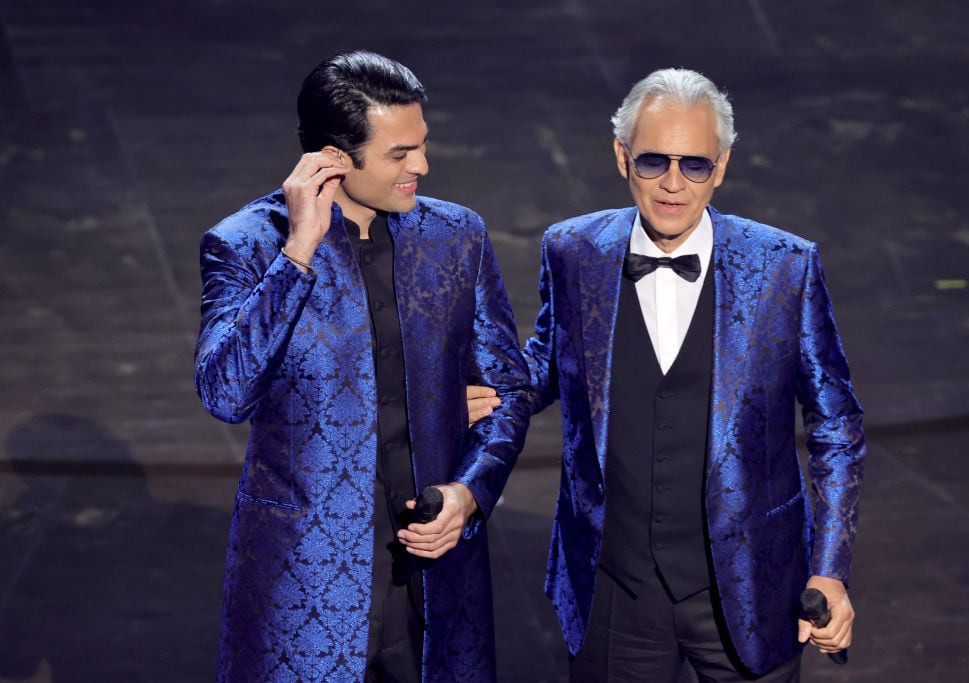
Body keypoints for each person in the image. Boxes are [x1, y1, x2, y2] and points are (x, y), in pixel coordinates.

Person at [194, 51, 532, 682]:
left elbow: (508, 390)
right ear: (333, 157)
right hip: (304, 586)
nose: (421, 167)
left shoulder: (457, 237)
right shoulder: (247, 244)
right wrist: (298, 251)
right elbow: (224, 392)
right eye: (398, 155)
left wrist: (470, 492)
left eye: (422, 146)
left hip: (435, 575)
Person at [518, 67, 866, 681]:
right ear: (622, 157)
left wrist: (829, 566)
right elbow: (542, 367)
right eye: (654, 161)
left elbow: (835, 423)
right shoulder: (572, 251)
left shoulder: (785, 267)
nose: (673, 184)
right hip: (613, 592)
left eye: (695, 165)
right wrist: (475, 386)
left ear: (722, 165)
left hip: (751, 588)